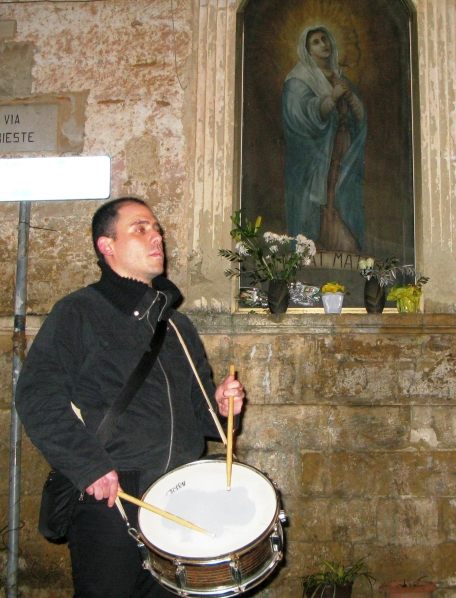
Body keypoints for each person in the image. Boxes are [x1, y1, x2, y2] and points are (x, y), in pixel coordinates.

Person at [15, 197, 245, 597]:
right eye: (140, 229)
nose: (156, 236)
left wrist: (225, 407)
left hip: (181, 497)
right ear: (107, 246)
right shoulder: (79, 312)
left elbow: (205, 420)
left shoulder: (178, 327)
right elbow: (36, 396)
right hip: (114, 498)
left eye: (157, 229)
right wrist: (88, 466)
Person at [281, 25, 367, 253]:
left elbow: (359, 117)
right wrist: (333, 97)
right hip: (316, 153)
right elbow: (301, 116)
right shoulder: (298, 80)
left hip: (342, 146)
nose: (323, 44)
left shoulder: (340, 77)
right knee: (322, 194)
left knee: (336, 192)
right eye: (316, 42)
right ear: (307, 50)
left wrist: (348, 97)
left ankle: (335, 238)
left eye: (325, 39)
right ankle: (316, 240)